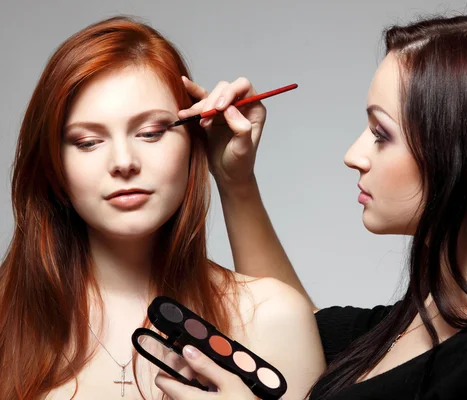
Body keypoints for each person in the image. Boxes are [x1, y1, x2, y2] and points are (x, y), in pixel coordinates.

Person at [167, 14, 467, 399]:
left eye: (381, 133)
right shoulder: (418, 320)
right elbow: (291, 329)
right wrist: (236, 181)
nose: (354, 154)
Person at [0, 16, 325, 399]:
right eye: (88, 141)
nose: (123, 161)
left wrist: (235, 181)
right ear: (52, 164)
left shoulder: (275, 317)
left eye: (150, 133)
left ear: (194, 140)